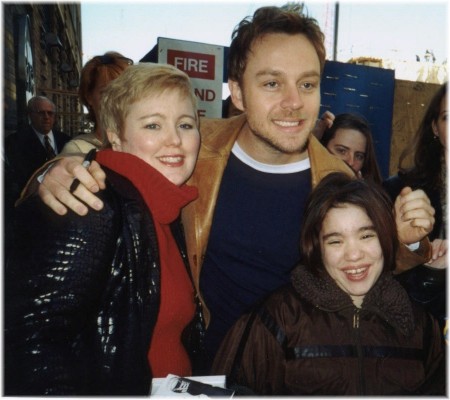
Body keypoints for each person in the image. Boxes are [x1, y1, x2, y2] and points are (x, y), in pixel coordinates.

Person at [26, 4, 434, 368]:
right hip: (198, 368)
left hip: (291, 374)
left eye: (307, 84)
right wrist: (58, 170)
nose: (293, 101)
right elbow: (119, 164)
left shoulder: (337, 182)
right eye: (272, 84)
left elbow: (367, 267)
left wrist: (410, 242)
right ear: (237, 92)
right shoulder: (192, 147)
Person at [4, 63, 202, 395]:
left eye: (186, 124)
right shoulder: (90, 204)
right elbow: (31, 343)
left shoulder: (164, 205)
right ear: (115, 136)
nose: (175, 139)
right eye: (153, 125)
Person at [212, 172, 446, 395]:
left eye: (366, 236)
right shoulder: (276, 319)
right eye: (335, 241)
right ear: (317, 248)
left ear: (385, 238)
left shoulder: (419, 325)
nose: (353, 255)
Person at [383, 82, 447, 329]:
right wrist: (412, 248)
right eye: (448, 117)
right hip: (419, 337)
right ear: (435, 127)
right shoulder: (399, 191)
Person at [60, 51, 133, 154]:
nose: (116, 99)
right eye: (106, 92)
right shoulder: (78, 150)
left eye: (123, 92)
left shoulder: (143, 143)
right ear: (89, 97)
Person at [4, 96, 70, 199]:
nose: (46, 117)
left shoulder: (66, 140)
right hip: (32, 204)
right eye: (41, 112)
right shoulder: (14, 142)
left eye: (50, 113)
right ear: (30, 115)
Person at [320, 112, 383, 183]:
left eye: (359, 156)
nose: (350, 162)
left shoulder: (366, 191)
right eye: (342, 151)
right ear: (322, 147)